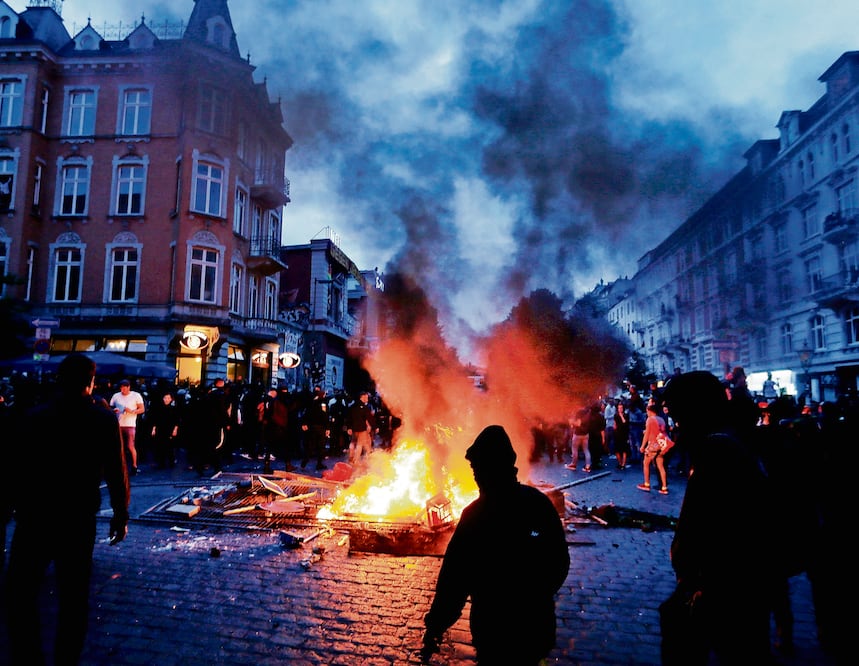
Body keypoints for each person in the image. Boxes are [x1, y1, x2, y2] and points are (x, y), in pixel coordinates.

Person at [4, 352, 129, 665]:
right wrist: (120, 513)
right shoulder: (101, 419)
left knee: (20, 593)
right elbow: (117, 469)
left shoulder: (35, 416)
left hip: (35, 516)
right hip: (77, 516)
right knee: (73, 597)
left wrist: (10, 505)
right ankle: (66, 659)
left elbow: (14, 468)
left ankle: (27, 655)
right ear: (90, 382)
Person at [422, 425, 570, 665]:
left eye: (477, 467)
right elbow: (559, 563)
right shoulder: (538, 504)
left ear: (491, 467)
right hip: (535, 629)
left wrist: (436, 625)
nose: (474, 474)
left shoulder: (476, 516)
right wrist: (537, 596)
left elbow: (454, 580)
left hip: (494, 631)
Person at [659, 371, 776, 665]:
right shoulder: (727, 443)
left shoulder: (718, 451)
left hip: (726, 590)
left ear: (696, 410)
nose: (677, 427)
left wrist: (699, 579)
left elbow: (721, 527)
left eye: (679, 416)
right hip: (730, 587)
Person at [109, 378, 146, 474]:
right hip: (119, 423)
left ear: (128, 387)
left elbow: (142, 409)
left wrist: (133, 411)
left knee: (130, 445)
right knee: (118, 446)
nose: (123, 390)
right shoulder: (116, 396)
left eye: (125, 388)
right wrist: (114, 410)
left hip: (130, 424)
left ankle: (134, 465)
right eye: (121, 388)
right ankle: (119, 465)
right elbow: (110, 407)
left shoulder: (135, 395)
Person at [637, 403, 670, 494]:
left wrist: (642, 446)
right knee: (661, 466)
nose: (646, 413)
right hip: (662, 445)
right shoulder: (661, 419)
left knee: (646, 463)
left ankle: (647, 484)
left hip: (653, 445)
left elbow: (647, 434)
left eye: (647, 411)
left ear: (650, 411)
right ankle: (664, 487)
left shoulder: (650, 420)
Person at [301, 386, 330, 470]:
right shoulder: (323, 404)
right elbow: (325, 416)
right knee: (321, 446)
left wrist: (304, 423)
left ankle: (305, 460)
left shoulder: (311, 402)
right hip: (320, 427)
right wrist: (327, 428)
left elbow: (306, 413)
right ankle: (319, 463)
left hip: (311, 427)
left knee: (311, 445)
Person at [149, 391, 181, 469]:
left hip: (170, 429)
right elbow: (155, 420)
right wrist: (153, 429)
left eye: (168, 398)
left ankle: (171, 461)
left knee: (170, 446)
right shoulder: (158, 408)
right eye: (165, 398)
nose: (166, 400)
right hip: (160, 429)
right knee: (160, 446)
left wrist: (175, 429)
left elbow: (177, 420)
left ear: (171, 399)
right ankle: (161, 463)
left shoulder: (174, 409)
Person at [346, 390, 377, 466]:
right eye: (366, 397)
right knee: (360, 444)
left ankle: (350, 457)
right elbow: (369, 418)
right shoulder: (364, 407)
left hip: (353, 429)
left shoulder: (352, 406)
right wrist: (375, 427)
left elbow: (348, 418)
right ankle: (355, 460)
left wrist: (349, 427)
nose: (367, 399)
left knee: (353, 442)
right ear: (362, 397)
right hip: (361, 429)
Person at [565, 406, 591, 471]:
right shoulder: (588, 417)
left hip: (578, 434)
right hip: (586, 434)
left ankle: (573, 464)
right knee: (586, 450)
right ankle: (588, 466)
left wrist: (572, 422)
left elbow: (578, 424)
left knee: (574, 449)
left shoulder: (579, 417)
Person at [612, 400, 631, 469]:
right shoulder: (615, 415)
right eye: (619, 408)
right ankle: (620, 463)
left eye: (621, 408)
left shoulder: (626, 415)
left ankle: (623, 464)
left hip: (624, 434)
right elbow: (614, 424)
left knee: (624, 449)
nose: (620, 409)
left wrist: (621, 416)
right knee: (617, 449)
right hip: (617, 434)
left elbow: (625, 423)